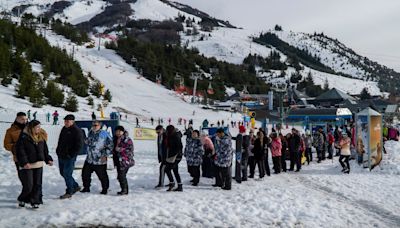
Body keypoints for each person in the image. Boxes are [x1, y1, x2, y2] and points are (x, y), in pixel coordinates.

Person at [16, 120, 53, 208]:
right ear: (31, 128)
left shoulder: (41, 137)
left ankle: (35, 201)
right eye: (37, 127)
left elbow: (45, 150)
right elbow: (20, 152)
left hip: (38, 164)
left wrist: (48, 159)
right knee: (29, 185)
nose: (39, 129)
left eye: (40, 127)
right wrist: (25, 162)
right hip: (27, 165)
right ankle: (22, 198)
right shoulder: (23, 137)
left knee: (37, 184)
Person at [81, 120, 113, 194]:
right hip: (89, 159)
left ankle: (105, 189)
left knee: (102, 176)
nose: (94, 127)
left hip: (99, 160)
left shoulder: (104, 134)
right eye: (93, 125)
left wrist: (104, 155)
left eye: (96, 125)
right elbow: (89, 142)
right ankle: (86, 188)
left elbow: (110, 146)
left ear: (100, 126)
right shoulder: (90, 132)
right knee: (85, 174)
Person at [56, 114, 84, 199]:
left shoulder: (77, 131)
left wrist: (71, 154)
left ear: (72, 121)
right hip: (61, 155)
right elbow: (60, 141)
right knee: (62, 173)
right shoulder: (64, 129)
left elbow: (79, 145)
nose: (66, 122)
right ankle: (75, 186)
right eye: (65, 121)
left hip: (69, 157)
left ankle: (69, 191)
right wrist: (58, 150)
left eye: (68, 121)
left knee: (67, 173)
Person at [4, 112, 28, 182]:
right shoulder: (10, 130)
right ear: (17, 119)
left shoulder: (31, 127)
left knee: (35, 178)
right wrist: (16, 147)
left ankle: (36, 193)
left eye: (26, 119)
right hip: (19, 158)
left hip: (32, 157)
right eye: (22, 119)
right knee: (24, 178)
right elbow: (6, 144)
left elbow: (43, 136)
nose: (25, 121)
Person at [113, 126, 135, 195]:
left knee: (121, 176)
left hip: (125, 160)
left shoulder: (127, 139)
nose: (118, 133)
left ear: (123, 132)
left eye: (120, 131)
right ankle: (124, 189)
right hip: (117, 160)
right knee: (120, 176)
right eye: (117, 131)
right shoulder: (115, 138)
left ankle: (125, 190)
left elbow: (130, 149)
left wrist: (120, 149)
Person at [164, 125, 183, 192]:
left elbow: (179, 147)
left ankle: (172, 183)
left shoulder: (175, 136)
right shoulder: (171, 135)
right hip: (173, 156)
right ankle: (179, 186)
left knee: (167, 169)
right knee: (175, 171)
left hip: (176, 156)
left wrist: (175, 155)